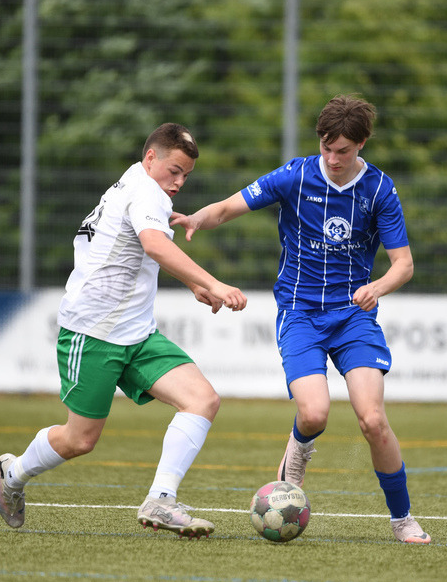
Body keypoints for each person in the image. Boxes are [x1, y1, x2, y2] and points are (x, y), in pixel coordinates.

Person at [172, 94, 431, 544]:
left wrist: (377, 287)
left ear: (362, 144)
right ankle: (299, 450)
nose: (332, 158)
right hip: (300, 314)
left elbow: (403, 264)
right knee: (313, 413)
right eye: (327, 148)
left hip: (353, 317)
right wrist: (198, 217)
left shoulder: (380, 190)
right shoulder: (296, 175)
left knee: (371, 419)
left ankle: (402, 518)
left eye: (344, 151)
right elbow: (230, 206)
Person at [0, 123, 247, 538]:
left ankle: (161, 499)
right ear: (151, 157)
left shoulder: (137, 184)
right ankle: (14, 473)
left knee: (202, 399)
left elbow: (144, 250)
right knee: (80, 440)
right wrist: (214, 283)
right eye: (175, 171)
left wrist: (195, 286)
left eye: (186, 175)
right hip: (92, 333)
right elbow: (153, 245)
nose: (180, 182)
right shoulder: (144, 192)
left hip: (137, 333)